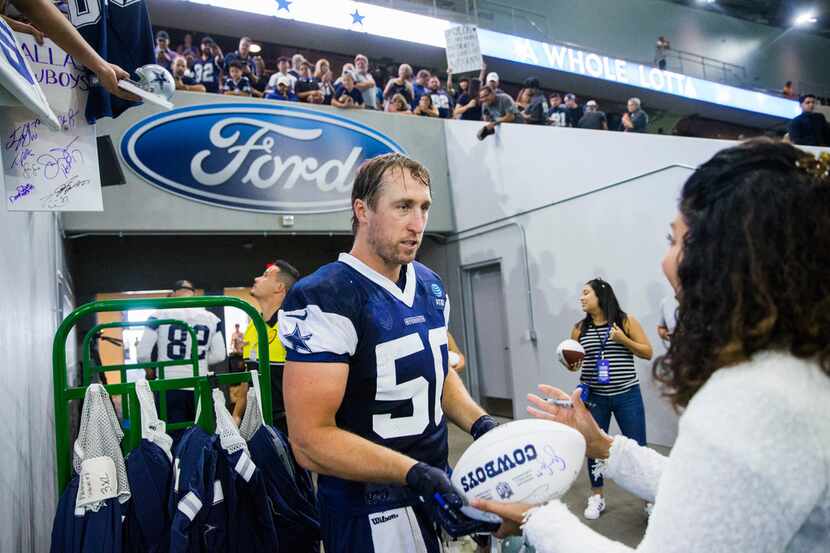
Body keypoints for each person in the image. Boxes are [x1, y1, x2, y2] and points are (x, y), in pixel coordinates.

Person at [470, 139, 830, 553]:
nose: (665, 262)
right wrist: (603, 445)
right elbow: (706, 488)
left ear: (727, 256)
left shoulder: (754, 401)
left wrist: (537, 520)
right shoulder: (797, 371)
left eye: (675, 240)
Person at [280, 153, 501, 552]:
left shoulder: (430, 284)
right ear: (362, 210)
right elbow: (310, 440)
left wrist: (481, 423)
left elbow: (434, 371)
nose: (417, 224)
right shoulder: (325, 295)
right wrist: (413, 473)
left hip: (435, 486)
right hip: (368, 508)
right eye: (402, 207)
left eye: (424, 208)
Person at [569, 278, 652, 519]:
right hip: (595, 397)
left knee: (638, 448)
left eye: (586, 293)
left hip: (628, 395)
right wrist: (571, 364)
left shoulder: (625, 321)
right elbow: (575, 365)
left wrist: (623, 340)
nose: (581, 298)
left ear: (601, 296)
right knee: (593, 447)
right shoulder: (579, 328)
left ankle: (649, 499)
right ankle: (597, 496)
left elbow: (647, 352)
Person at [137, 280, 226, 438]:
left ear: (172, 294)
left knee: (172, 438)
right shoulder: (211, 318)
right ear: (194, 293)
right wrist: (201, 361)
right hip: (199, 385)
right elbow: (220, 355)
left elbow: (143, 354)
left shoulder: (159, 314)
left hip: (170, 385)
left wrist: (150, 372)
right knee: (200, 436)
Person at [234, 260, 300, 434]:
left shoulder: (295, 326)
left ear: (279, 287)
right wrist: (236, 415)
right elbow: (248, 378)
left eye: (265, 275)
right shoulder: (253, 325)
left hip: (288, 425)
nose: (256, 279)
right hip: (256, 423)